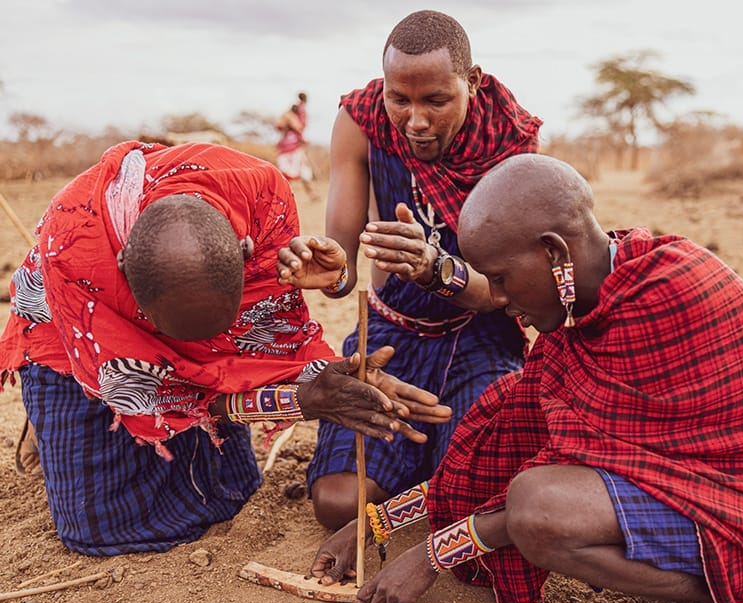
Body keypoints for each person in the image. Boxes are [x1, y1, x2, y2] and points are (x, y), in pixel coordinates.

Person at [309, 155, 743, 603]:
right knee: (508, 430)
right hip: (710, 495)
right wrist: (378, 523)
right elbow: (502, 448)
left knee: (539, 511)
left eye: (502, 279)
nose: (499, 300)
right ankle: (741, 588)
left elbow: (529, 497)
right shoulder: (586, 313)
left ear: (554, 252)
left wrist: (435, 554)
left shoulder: (670, 291)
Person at [0, 140, 450, 557]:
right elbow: (157, 390)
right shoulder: (76, 252)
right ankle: (54, 426)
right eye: (182, 335)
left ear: (244, 253)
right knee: (98, 526)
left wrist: (320, 375)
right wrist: (299, 400)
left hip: (186, 347)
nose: (191, 351)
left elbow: (269, 334)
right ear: (124, 271)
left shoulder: (259, 197)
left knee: (234, 492)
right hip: (77, 342)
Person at [279, 10, 542, 533]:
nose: (415, 121)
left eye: (436, 101)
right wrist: (331, 273)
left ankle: (439, 463)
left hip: (478, 337)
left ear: (472, 82)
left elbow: (507, 295)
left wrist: (435, 269)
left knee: (485, 490)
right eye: (400, 99)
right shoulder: (361, 120)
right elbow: (344, 267)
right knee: (337, 503)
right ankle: (431, 465)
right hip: (390, 333)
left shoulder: (510, 141)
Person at [275, 92, 319, 201]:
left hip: (290, 147)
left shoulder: (291, 114)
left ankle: (310, 194)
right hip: (291, 147)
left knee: (298, 171)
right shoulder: (293, 115)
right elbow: (298, 128)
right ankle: (282, 196)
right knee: (292, 171)